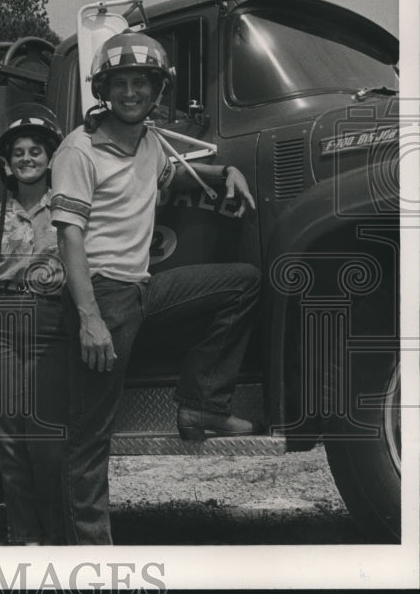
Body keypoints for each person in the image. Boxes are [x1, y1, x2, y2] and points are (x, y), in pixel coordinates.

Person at [49, 31, 260, 545]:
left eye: (140, 82)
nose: (130, 93)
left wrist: (226, 169)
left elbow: (174, 176)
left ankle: (202, 404)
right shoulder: (78, 150)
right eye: (120, 83)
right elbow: (68, 236)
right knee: (90, 434)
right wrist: (91, 319)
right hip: (102, 295)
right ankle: (91, 555)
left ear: (156, 89)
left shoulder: (150, 142)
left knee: (241, 284)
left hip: (144, 290)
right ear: (104, 88)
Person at [0, 106, 68, 545]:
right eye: (19, 152)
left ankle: (59, 534)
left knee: (48, 438)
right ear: (7, 163)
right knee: (9, 438)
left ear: (49, 158)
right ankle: (25, 537)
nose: (27, 158)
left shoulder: (68, 210)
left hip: (51, 322)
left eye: (36, 151)